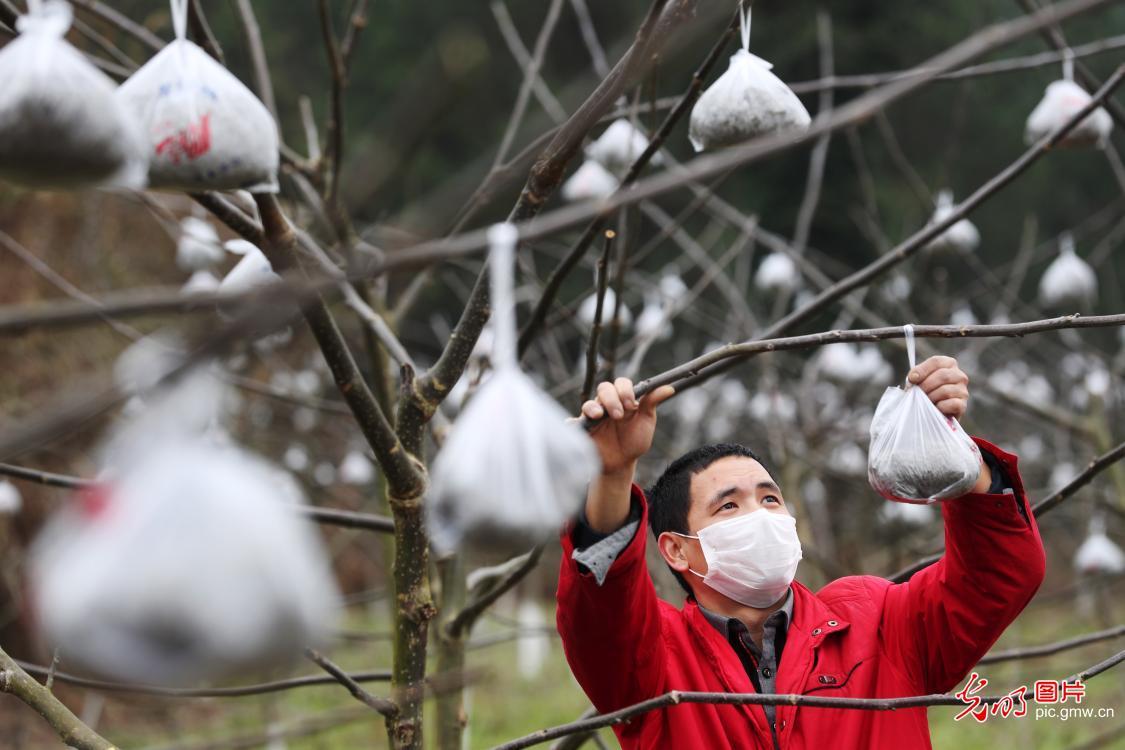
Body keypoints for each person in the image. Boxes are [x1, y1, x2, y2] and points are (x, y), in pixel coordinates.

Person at [556, 356, 1045, 749]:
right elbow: (599, 614)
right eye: (729, 506)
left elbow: (997, 577)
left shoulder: (878, 623)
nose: (761, 515)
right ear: (678, 552)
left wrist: (953, 452)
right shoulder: (652, 662)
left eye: (770, 498)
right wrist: (614, 476)